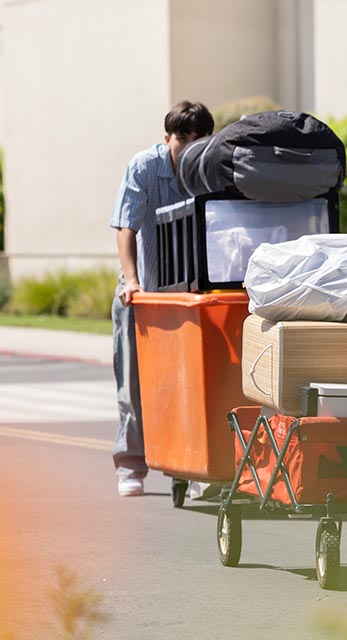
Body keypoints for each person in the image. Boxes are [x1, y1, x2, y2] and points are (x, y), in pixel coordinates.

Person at [109, 101, 214, 497]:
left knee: (189, 384)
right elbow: (125, 227)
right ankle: (130, 465)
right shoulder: (144, 167)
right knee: (133, 383)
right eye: (181, 138)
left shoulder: (209, 168)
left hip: (189, 296)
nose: (187, 147)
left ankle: (190, 469)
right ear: (166, 137)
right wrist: (132, 281)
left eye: (197, 139)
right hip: (145, 294)